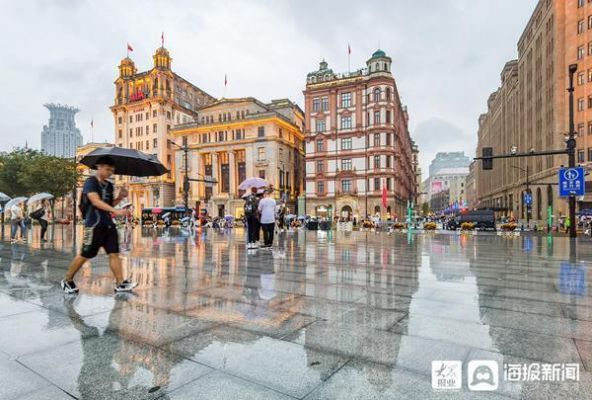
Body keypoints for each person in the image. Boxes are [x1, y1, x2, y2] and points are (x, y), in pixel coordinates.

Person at [61, 156, 136, 294]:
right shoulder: (90, 182)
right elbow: (95, 201)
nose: (110, 172)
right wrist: (117, 211)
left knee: (114, 253)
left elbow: (107, 205)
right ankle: (67, 280)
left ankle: (120, 283)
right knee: (85, 254)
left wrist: (119, 197)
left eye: (112, 170)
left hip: (108, 224)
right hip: (93, 225)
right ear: (99, 167)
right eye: (107, 169)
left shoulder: (109, 185)